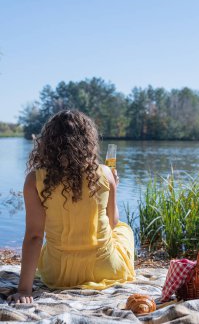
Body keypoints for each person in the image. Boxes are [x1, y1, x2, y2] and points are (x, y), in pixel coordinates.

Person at [7, 110, 135, 304]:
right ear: (88, 142)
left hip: (58, 274)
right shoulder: (106, 173)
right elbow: (113, 221)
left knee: (48, 243)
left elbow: (34, 236)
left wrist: (24, 290)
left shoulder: (34, 179)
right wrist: (113, 185)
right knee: (124, 229)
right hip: (105, 268)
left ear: (47, 143)